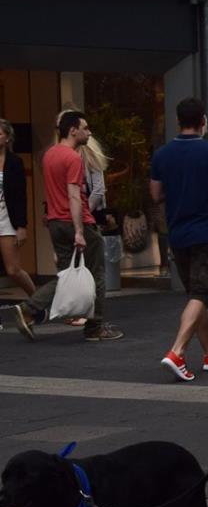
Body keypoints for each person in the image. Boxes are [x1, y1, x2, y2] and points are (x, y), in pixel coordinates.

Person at [149, 98, 208, 380]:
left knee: (196, 295)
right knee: (203, 292)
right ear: (203, 121)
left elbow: (155, 195)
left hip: (178, 234)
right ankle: (177, 351)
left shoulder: (162, 155)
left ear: (178, 121)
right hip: (207, 233)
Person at [16, 110, 121, 342]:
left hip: (56, 222)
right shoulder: (73, 158)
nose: (89, 132)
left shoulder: (49, 155)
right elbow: (74, 196)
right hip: (76, 221)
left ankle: (29, 309)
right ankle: (95, 327)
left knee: (66, 277)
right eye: (85, 128)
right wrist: (80, 231)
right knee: (97, 274)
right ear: (73, 130)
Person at [0, 119, 36, 300]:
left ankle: (37, 300)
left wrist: (22, 226)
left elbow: (21, 195)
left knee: (13, 269)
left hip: (7, 219)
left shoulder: (15, 162)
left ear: (7, 137)